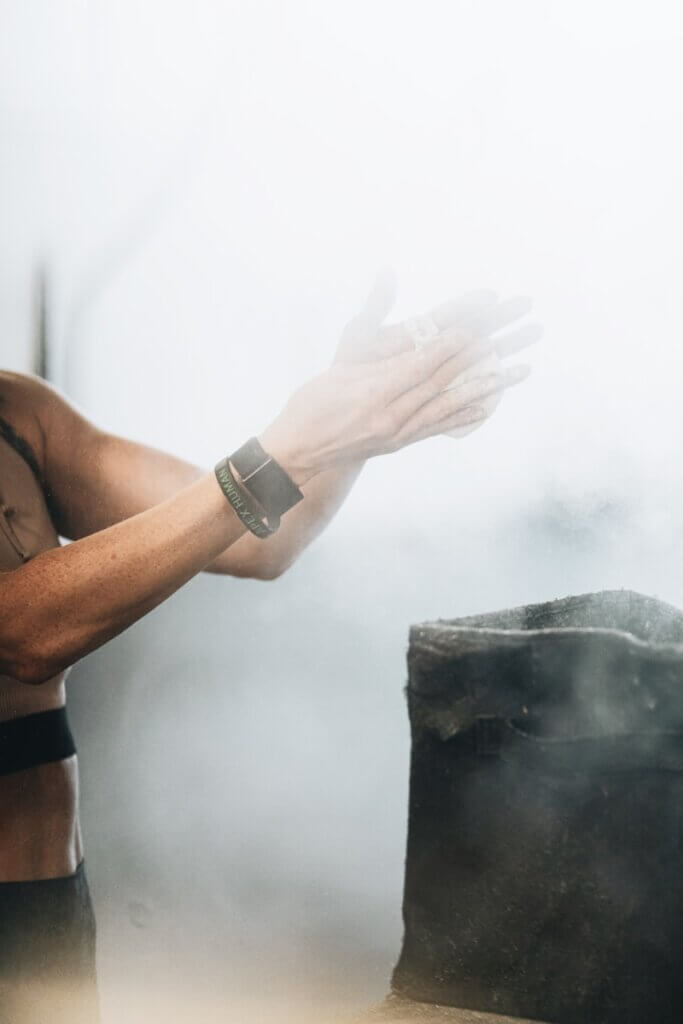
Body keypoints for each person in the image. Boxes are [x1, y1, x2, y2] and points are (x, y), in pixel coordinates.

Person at [0, 281, 536, 1022]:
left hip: (47, 912)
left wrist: (348, 427)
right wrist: (289, 444)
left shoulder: (18, 415)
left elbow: (264, 536)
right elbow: (22, 632)